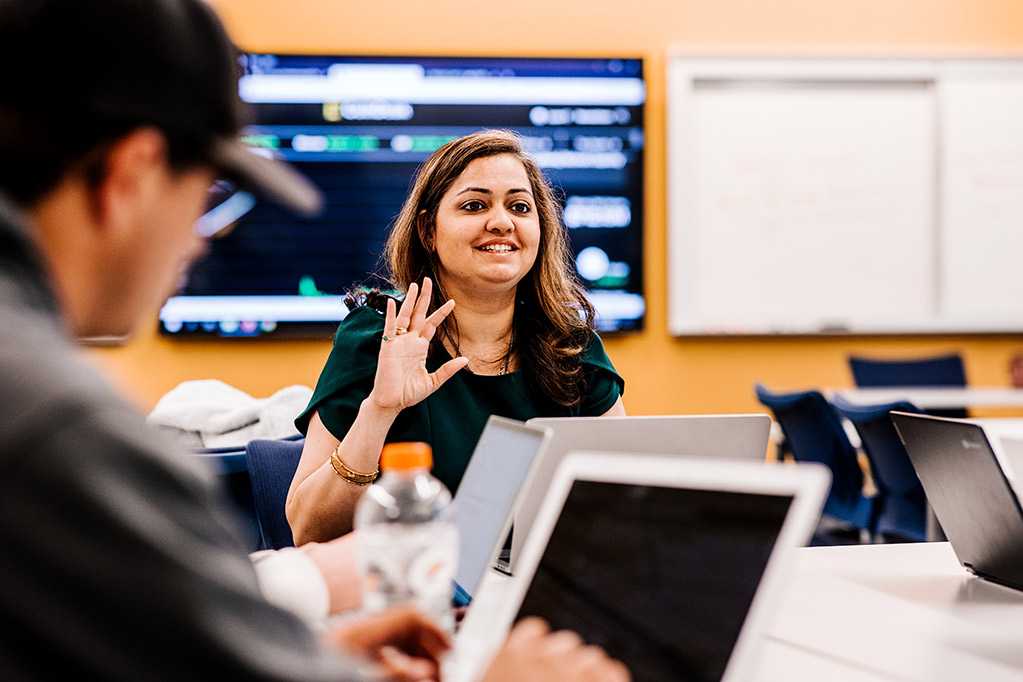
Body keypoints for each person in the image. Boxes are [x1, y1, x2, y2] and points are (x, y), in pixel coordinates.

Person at [0, 1, 630, 681]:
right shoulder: (58, 423)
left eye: (519, 205)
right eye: (201, 195)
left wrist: (316, 647)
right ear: (128, 177)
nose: (198, 238)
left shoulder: (572, 342)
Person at [287, 130, 627, 545]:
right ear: (428, 231)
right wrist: (380, 409)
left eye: (519, 207)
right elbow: (307, 528)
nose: (501, 222)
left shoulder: (572, 346)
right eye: (474, 205)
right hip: (418, 594)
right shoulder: (378, 338)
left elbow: (625, 510)